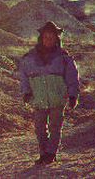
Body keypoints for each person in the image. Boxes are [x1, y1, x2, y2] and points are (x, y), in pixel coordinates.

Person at [18, 21, 81, 165]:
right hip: (38, 99)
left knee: (55, 128)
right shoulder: (29, 58)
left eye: (51, 37)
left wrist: (73, 95)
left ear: (56, 39)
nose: (48, 40)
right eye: (46, 37)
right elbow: (24, 76)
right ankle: (43, 153)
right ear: (41, 38)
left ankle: (51, 154)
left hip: (57, 99)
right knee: (39, 129)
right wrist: (26, 92)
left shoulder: (64, 58)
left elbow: (72, 77)